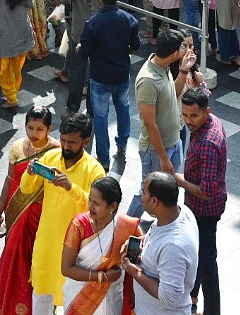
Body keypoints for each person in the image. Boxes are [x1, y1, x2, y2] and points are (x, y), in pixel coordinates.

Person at [19, 112, 106, 315]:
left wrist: (71, 188)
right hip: (46, 245)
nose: (66, 146)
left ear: (85, 141)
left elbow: (97, 211)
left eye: (72, 142)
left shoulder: (95, 171)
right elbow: (26, 189)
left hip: (75, 251)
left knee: (71, 303)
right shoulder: (50, 157)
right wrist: (29, 173)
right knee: (41, 297)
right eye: (63, 140)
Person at [0, 106, 60, 315]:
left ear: (49, 129)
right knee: (12, 258)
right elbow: (9, 180)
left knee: (34, 263)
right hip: (16, 213)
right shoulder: (18, 147)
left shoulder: (56, 152)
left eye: (40, 129)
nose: (33, 134)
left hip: (41, 219)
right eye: (30, 127)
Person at [174, 88, 226, 315]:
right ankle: (192, 295)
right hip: (203, 206)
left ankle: (212, 310)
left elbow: (206, 191)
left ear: (207, 111)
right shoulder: (211, 121)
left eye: (193, 116)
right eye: (184, 115)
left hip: (204, 210)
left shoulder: (207, 143)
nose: (188, 121)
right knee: (196, 254)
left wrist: (179, 180)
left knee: (206, 261)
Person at [81, 0, 141, 170]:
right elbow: (135, 46)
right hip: (122, 74)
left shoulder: (92, 23)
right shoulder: (129, 20)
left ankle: (104, 159)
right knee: (123, 109)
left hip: (99, 78)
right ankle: (122, 145)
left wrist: (79, 48)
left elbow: (84, 52)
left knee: (100, 117)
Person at [128, 30, 190, 218]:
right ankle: (126, 226)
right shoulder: (148, 79)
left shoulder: (164, 67)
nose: (186, 50)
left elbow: (174, 93)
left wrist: (184, 70)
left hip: (174, 142)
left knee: (170, 186)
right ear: (173, 54)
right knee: (147, 192)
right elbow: (149, 123)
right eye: (182, 47)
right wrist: (163, 157)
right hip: (157, 149)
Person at [61, 176, 141, 315]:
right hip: (79, 296)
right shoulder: (79, 225)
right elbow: (66, 269)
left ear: (113, 206)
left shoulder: (126, 226)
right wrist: (102, 277)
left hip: (112, 296)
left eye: (96, 203)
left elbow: (140, 254)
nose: (90, 206)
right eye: (90, 200)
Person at [121, 172, 199, 315]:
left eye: (143, 192)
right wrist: (141, 241)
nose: (141, 195)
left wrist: (135, 272)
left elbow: (168, 297)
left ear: (154, 201)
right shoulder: (180, 212)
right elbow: (157, 234)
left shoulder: (173, 247)